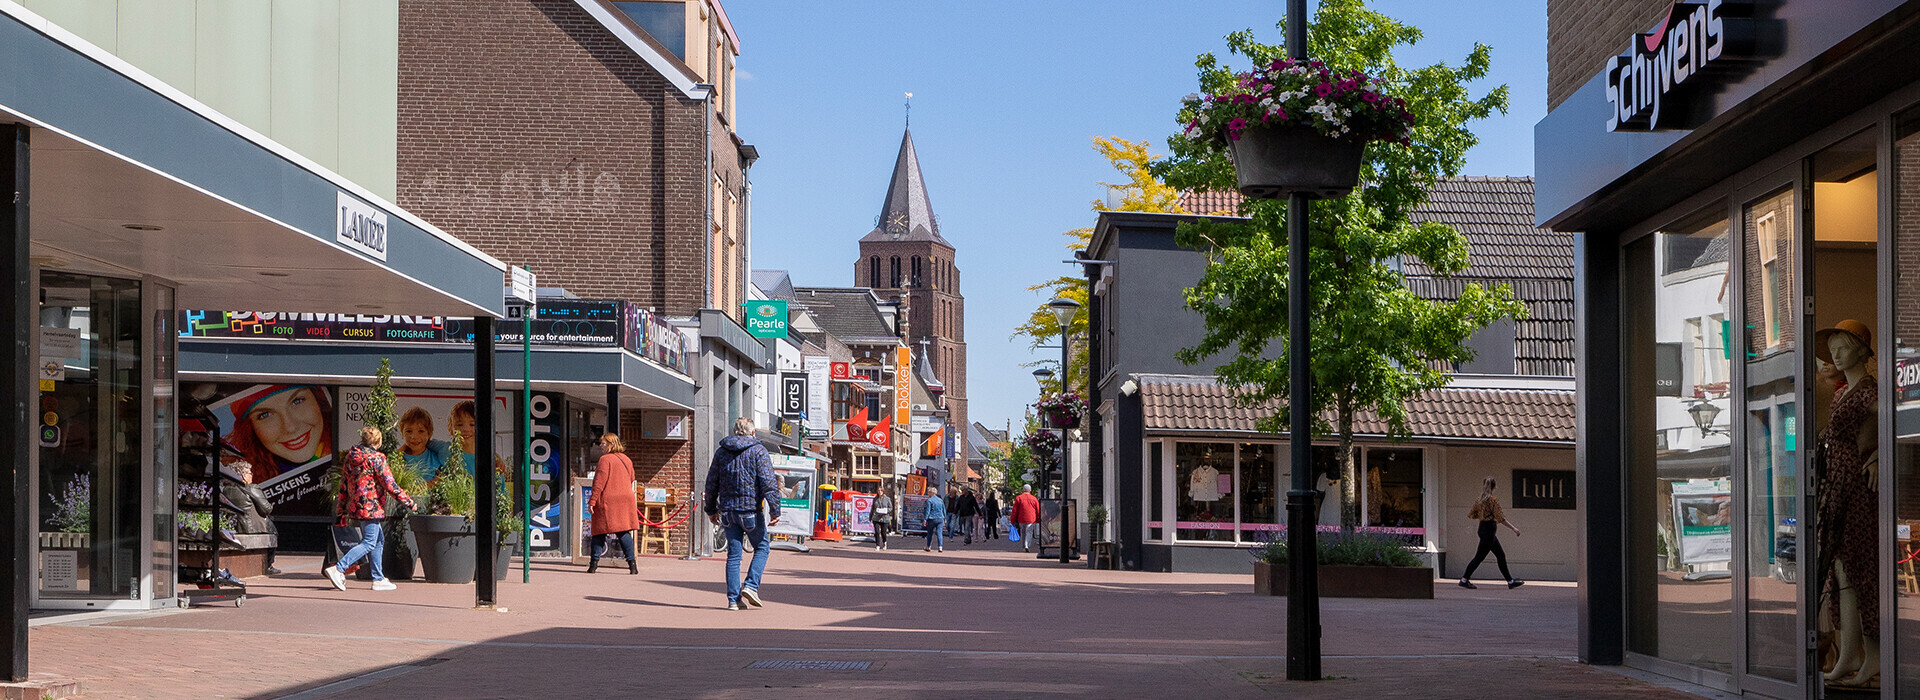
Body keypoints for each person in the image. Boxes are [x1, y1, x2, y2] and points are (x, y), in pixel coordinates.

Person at [1813, 320, 1880, 686]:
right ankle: (1851, 653)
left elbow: (1891, 426)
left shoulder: (1870, 392)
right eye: (1833, 347)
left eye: (1842, 346)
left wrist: (1878, 455)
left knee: (1858, 572)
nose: (1835, 354)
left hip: (1856, 488)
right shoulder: (1842, 392)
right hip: (1837, 489)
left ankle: (1873, 655)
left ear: (1861, 351)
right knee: (1841, 573)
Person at [326, 426, 415, 592]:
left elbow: (344, 485)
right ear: (378, 441)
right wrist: (409, 502)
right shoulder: (377, 458)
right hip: (372, 507)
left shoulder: (350, 457)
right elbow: (390, 484)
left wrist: (341, 509)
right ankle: (339, 569)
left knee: (378, 540)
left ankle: (378, 578)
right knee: (368, 542)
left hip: (357, 506)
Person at [704, 417, 780, 611]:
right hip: (750, 510)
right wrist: (774, 510)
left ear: (734, 431)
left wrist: (711, 510)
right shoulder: (758, 451)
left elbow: (711, 483)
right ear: (752, 432)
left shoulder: (722, 452)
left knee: (733, 556)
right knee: (762, 547)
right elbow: (768, 482)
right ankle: (751, 586)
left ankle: (733, 600)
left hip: (728, 511)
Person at [224, 384, 334, 479]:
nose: (290, 428)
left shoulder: (346, 454)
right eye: (265, 415)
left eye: (297, 401)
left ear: (319, 401)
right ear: (250, 429)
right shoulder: (246, 479)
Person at [587, 433, 640, 575]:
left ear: (610, 444)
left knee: (599, 532)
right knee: (624, 531)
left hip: (608, 500)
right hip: (626, 499)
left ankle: (593, 565)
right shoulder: (627, 459)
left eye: (603, 443)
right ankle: (632, 565)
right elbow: (632, 478)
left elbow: (599, 483)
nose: (600, 446)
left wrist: (592, 501)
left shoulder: (605, 460)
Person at [1459, 476, 1524, 590]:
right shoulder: (1493, 501)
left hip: (1482, 528)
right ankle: (1464, 579)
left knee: (1499, 555)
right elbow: (1501, 518)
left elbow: (1471, 514)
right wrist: (1514, 528)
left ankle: (1510, 581)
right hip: (1489, 530)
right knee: (1480, 557)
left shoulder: (1479, 500)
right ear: (1494, 486)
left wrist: (1483, 515)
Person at [396, 406, 450, 480]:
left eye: (421, 431)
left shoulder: (436, 458)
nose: (414, 436)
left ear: (429, 434)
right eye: (409, 431)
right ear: (402, 433)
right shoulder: (398, 460)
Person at [1011, 485, 1041, 553]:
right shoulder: (1034, 499)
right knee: (1029, 532)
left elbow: (1015, 510)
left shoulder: (1019, 498)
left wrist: (1013, 519)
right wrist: (1038, 519)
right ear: (1030, 490)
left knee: (1023, 532)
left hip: (1021, 518)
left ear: (1023, 490)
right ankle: (1027, 545)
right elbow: (1038, 510)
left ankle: (1023, 545)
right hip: (1031, 518)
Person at [871, 487, 895, 551]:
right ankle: (877, 545)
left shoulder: (887, 499)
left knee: (883, 532)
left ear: (883, 491)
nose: (879, 492)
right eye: (878, 490)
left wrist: (886, 510)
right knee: (876, 531)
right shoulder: (875, 499)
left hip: (884, 518)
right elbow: (872, 508)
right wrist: (870, 517)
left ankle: (884, 542)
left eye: (881, 490)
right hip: (876, 517)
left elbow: (891, 507)